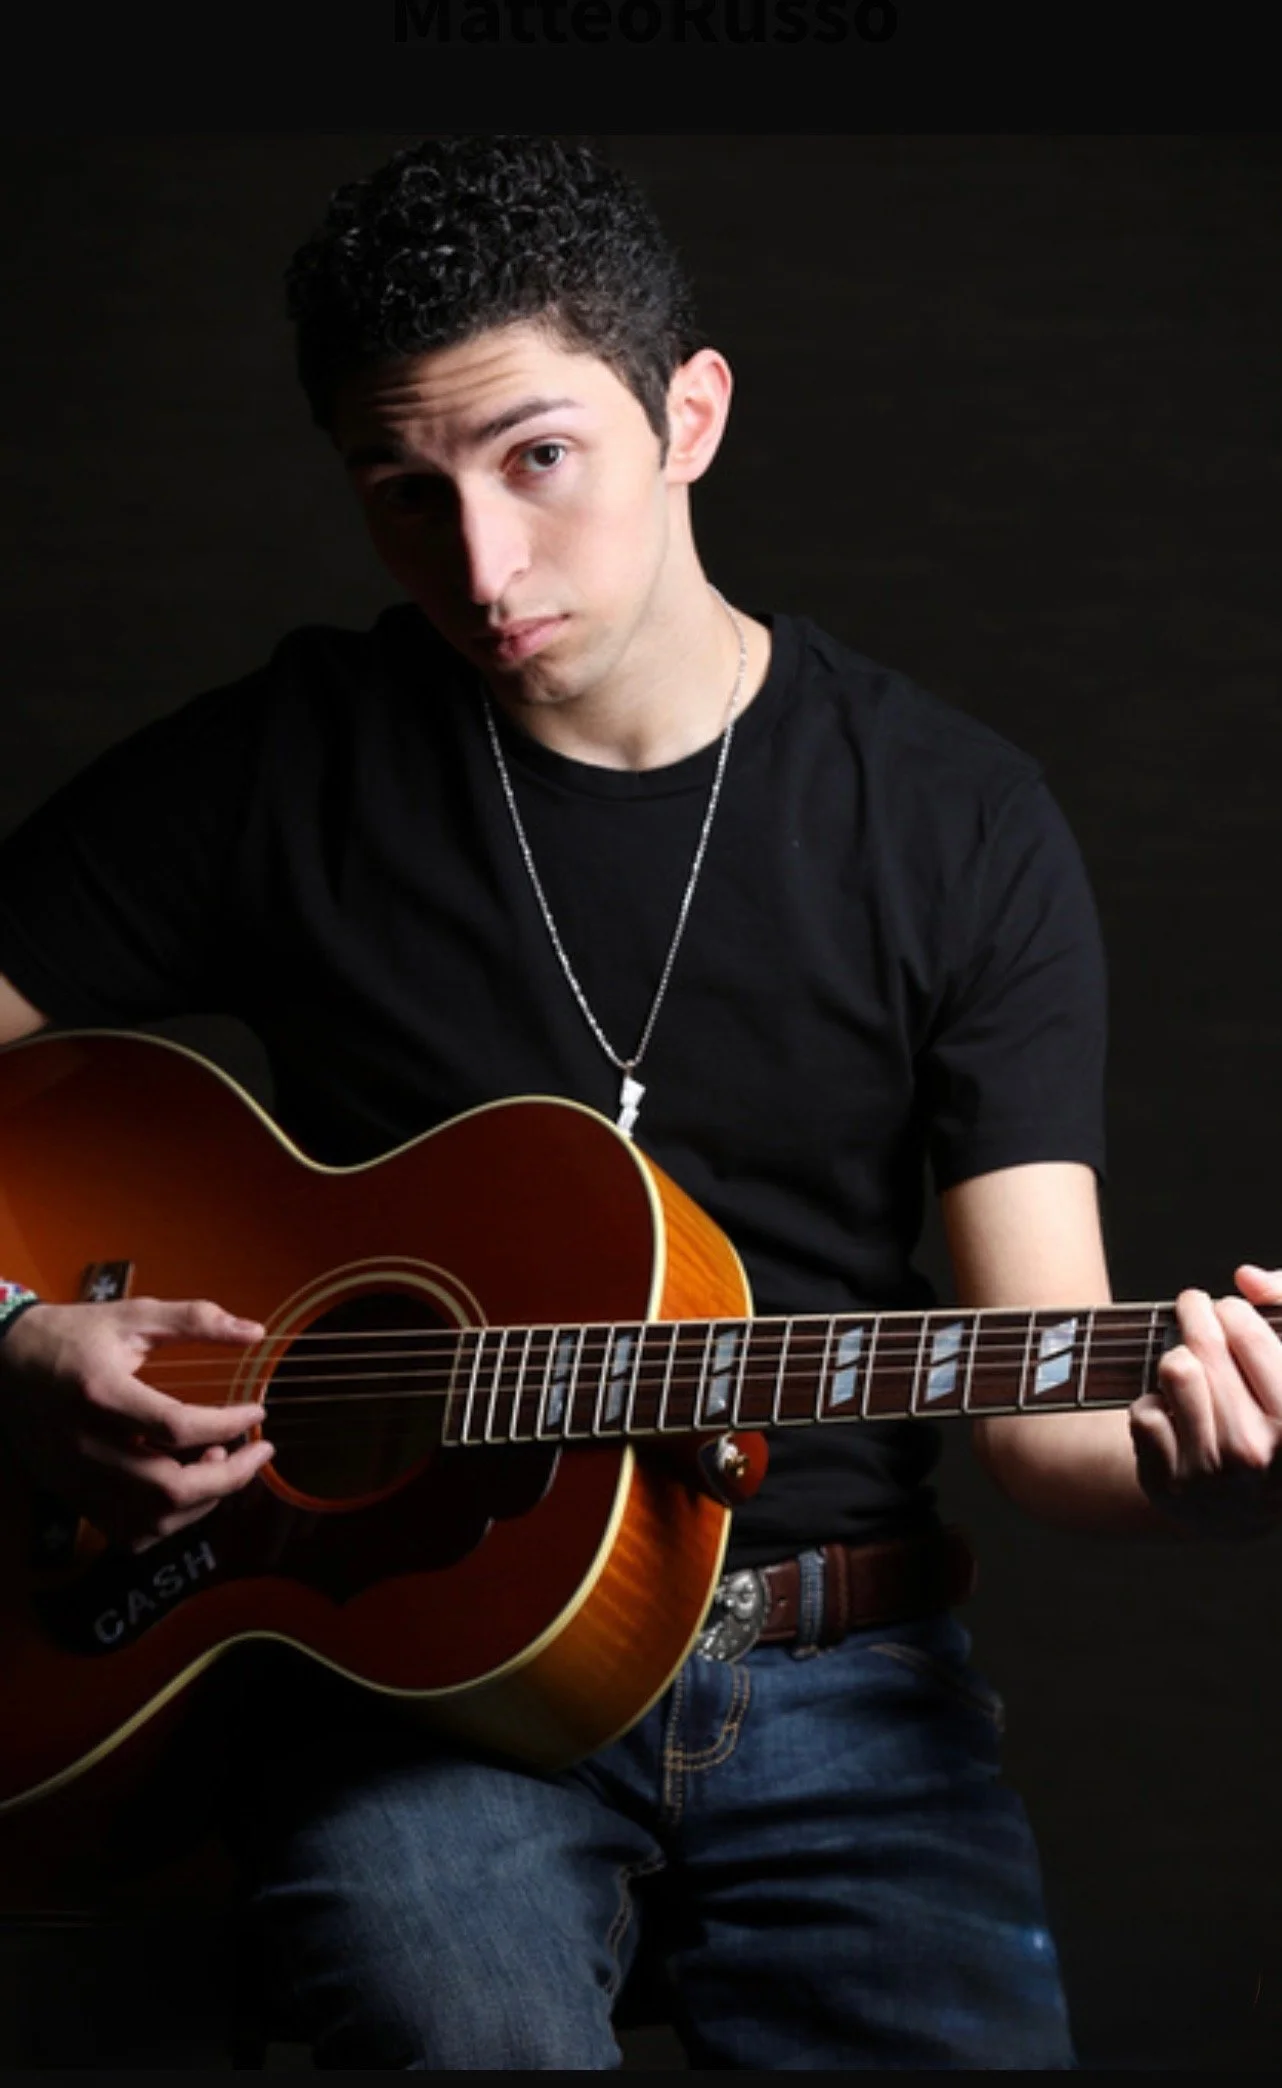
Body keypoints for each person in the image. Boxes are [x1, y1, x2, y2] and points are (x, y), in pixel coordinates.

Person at [0, 133, 1280, 2071]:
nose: (478, 564)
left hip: (844, 1676)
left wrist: (1206, 1477)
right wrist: (10, 1335)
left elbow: (1050, 1430)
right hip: (404, 1703)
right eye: (398, 492)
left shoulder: (952, 826)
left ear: (688, 413)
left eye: (533, 458)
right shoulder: (287, 767)